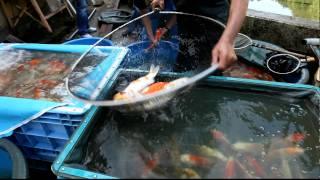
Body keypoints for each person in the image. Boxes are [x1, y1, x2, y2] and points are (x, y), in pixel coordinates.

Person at [150, 0, 248, 71]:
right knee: (184, 63)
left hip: (212, 21)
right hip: (185, 18)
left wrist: (228, 40)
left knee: (208, 71)